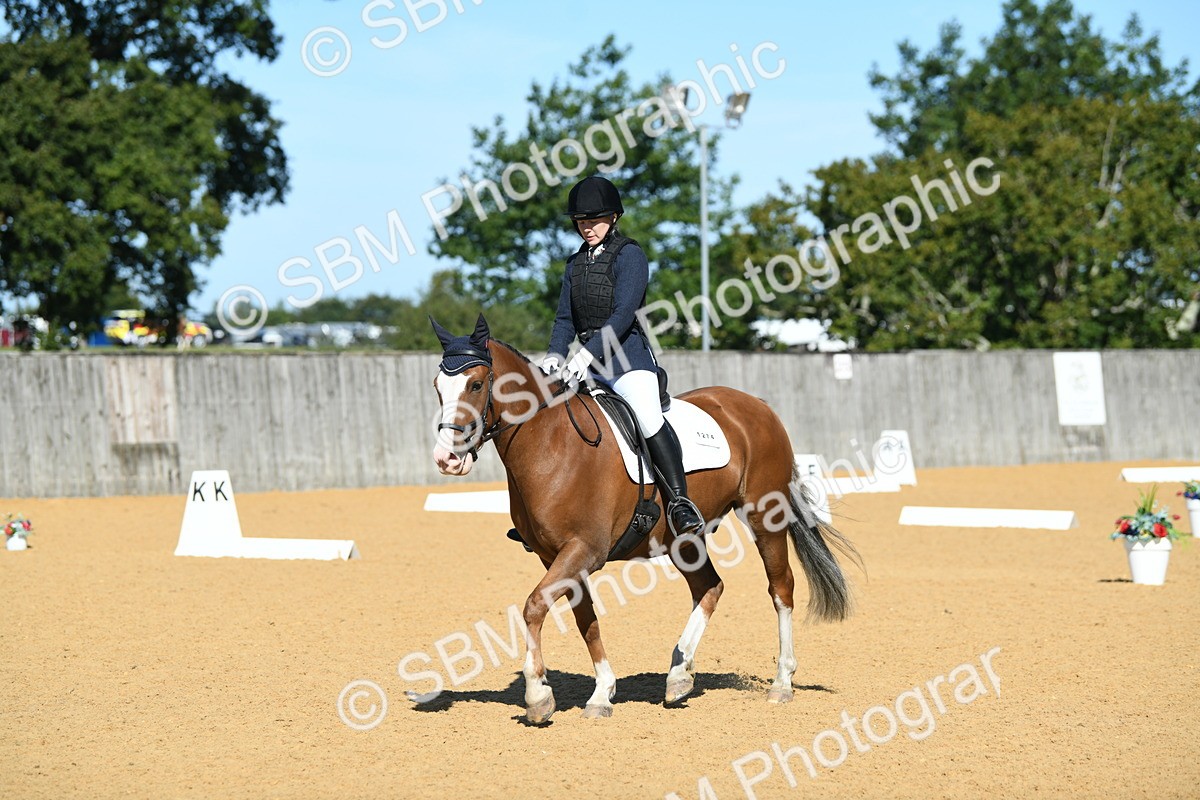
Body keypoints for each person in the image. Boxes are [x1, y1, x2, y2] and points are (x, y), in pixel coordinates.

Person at [539, 175, 705, 539]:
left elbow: (623, 314)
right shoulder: (574, 264)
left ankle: (680, 502)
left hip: (628, 362)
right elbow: (565, 319)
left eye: (594, 220)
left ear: (613, 217)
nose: (587, 227)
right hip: (588, 369)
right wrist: (554, 355)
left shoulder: (631, 255)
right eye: (580, 221)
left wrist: (586, 354)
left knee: (647, 417)